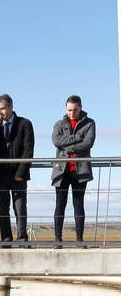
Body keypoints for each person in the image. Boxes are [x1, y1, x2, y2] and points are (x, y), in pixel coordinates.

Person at [0, 94, 35, 246]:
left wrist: (21, 173)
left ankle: (22, 240)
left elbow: (28, 151)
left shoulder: (25, 124)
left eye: (3, 108)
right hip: (0, 176)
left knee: (20, 209)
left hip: (18, 175)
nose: (0, 112)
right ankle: (6, 240)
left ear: (11, 107)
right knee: (2, 210)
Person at [51, 95, 96, 246]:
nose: (71, 113)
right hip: (61, 170)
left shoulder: (89, 123)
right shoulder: (59, 124)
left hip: (80, 171)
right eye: (69, 110)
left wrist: (69, 147)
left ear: (80, 107)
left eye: (74, 110)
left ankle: (79, 240)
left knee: (78, 204)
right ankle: (58, 239)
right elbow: (56, 141)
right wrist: (76, 138)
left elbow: (88, 143)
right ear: (66, 109)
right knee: (60, 205)